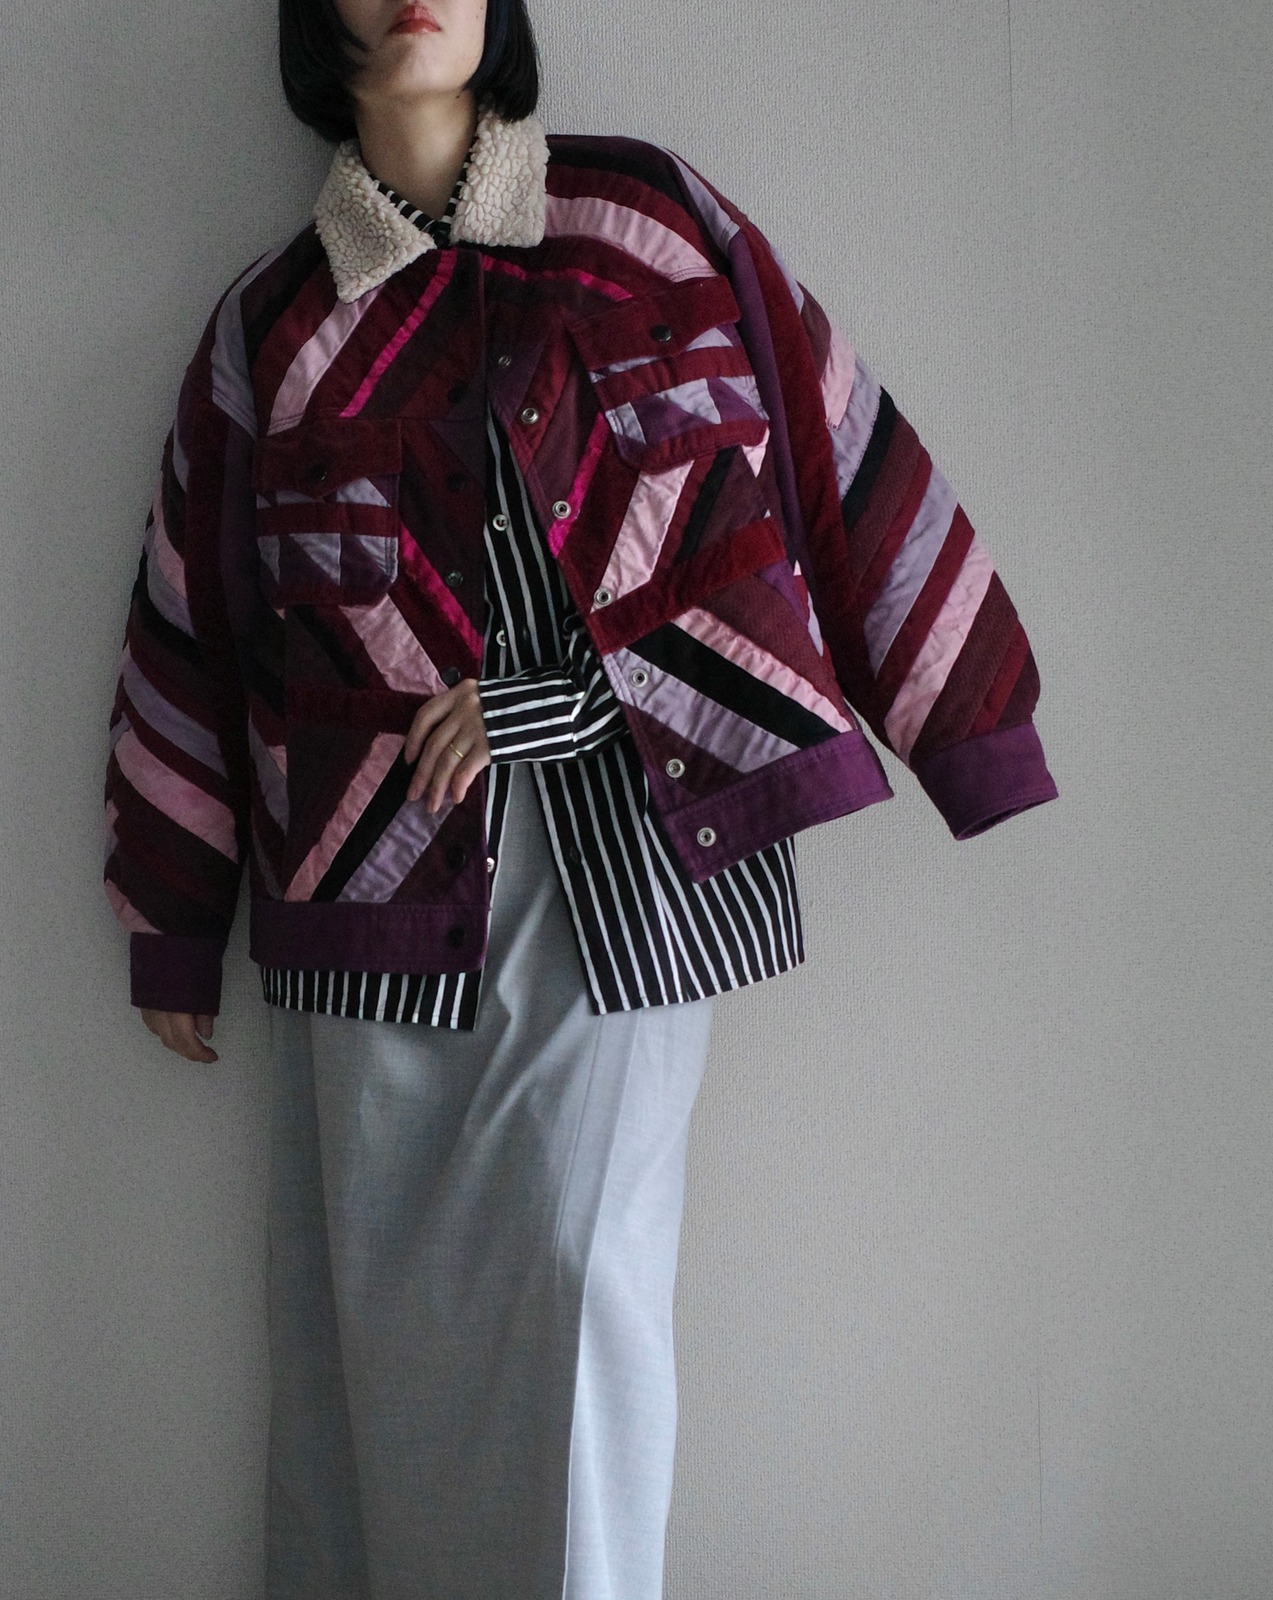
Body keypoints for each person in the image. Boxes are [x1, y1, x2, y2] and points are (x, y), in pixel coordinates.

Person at [102, 0, 1059, 1594]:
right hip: (372, 886)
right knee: (361, 1326)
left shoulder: (644, 221)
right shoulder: (275, 324)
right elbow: (196, 616)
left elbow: (820, 448)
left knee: (576, 1285)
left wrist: (972, 723)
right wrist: (172, 911)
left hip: (630, 862)